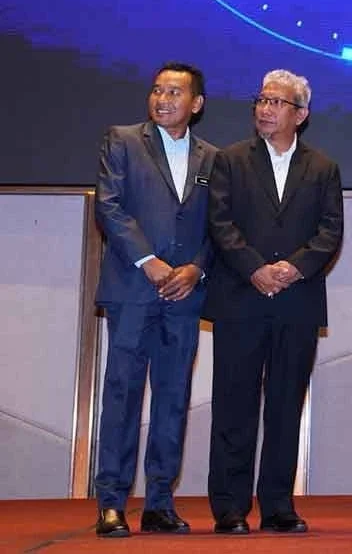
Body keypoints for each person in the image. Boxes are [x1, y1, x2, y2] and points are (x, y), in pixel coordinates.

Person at [205, 69, 344, 535]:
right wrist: (256, 269)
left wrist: (294, 268)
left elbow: (330, 230)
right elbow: (220, 224)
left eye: (277, 102)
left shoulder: (323, 167)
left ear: (300, 114)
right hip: (241, 298)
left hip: (297, 301)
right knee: (234, 405)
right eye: (261, 100)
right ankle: (229, 507)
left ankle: (278, 505)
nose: (265, 109)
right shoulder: (229, 160)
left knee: (286, 406)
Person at [93, 62, 217, 537]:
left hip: (184, 295)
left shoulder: (212, 158)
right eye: (157, 90)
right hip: (132, 289)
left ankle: (159, 502)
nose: (162, 99)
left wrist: (196, 268)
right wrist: (149, 261)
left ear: (196, 104)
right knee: (122, 394)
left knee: (173, 398)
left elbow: (217, 226)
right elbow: (109, 205)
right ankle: (111, 502)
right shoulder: (123, 140)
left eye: (174, 92)